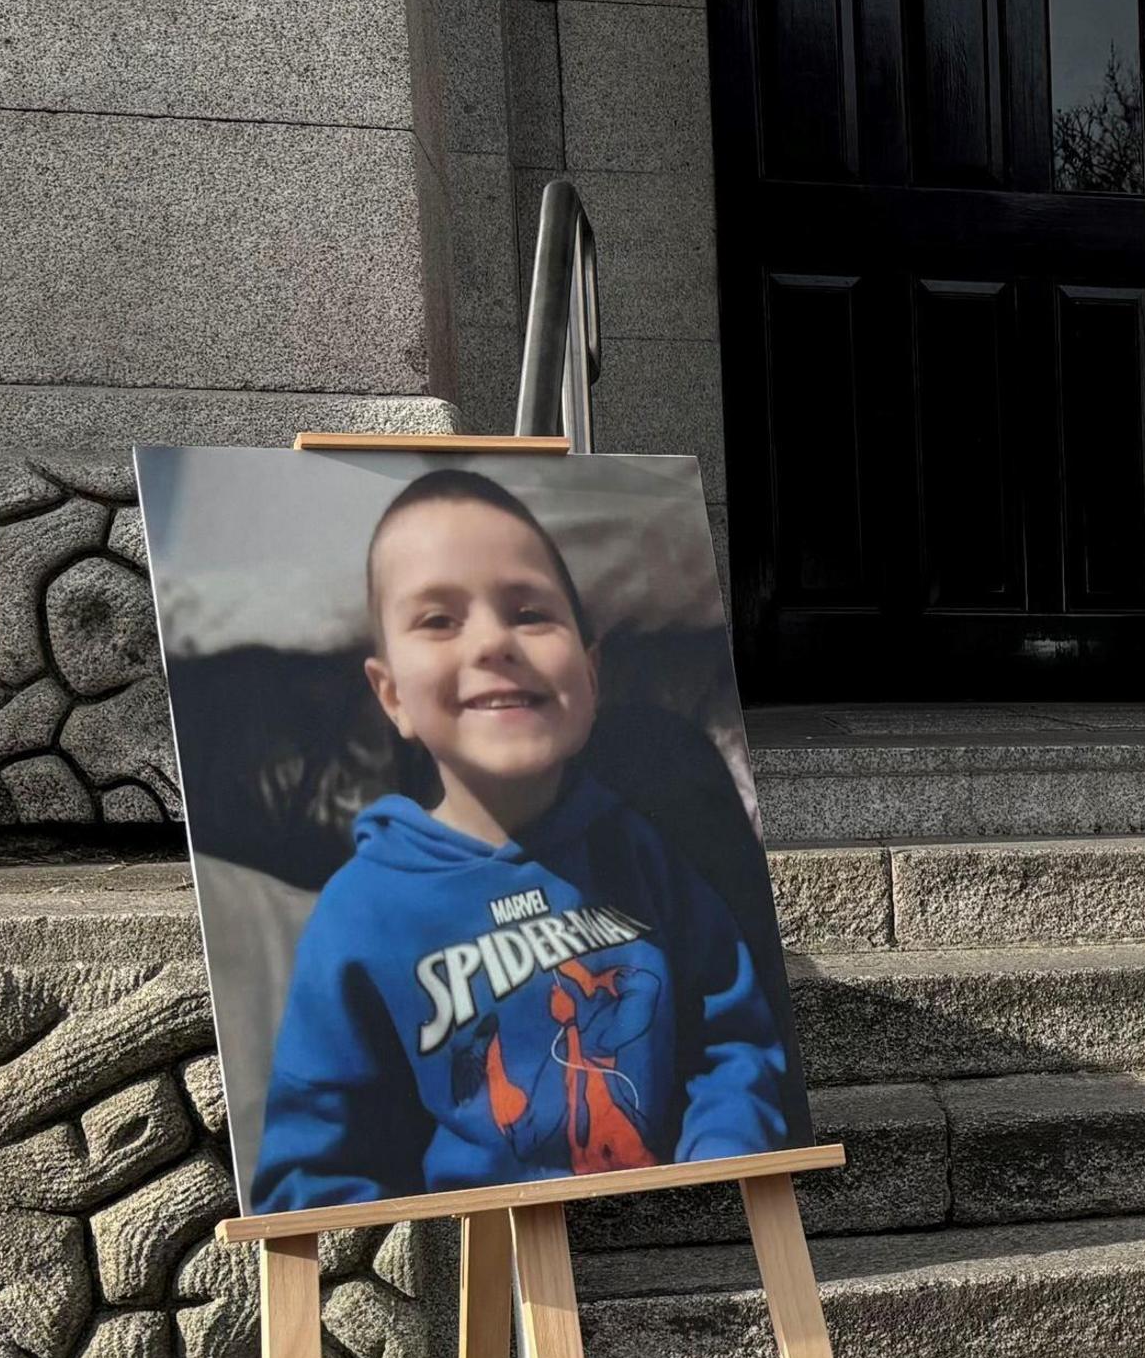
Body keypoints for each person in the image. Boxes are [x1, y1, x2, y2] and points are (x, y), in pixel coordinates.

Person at [245, 466, 792, 1214]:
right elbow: (317, 1175)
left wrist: (720, 1181)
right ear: (392, 695)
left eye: (530, 613)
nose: (494, 641)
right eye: (439, 620)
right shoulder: (360, 914)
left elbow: (732, 1044)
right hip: (486, 1281)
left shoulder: (642, 849)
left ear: (590, 675)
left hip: (673, 1230)